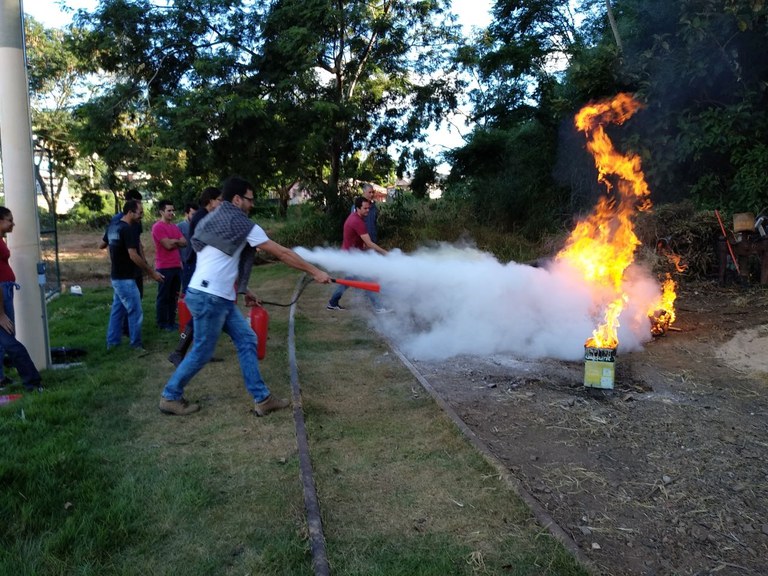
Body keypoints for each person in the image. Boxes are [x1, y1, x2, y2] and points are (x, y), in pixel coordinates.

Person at [159, 176, 331, 417]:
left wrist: (242, 290)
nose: (253, 204)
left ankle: (262, 398)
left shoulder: (213, 219)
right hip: (211, 297)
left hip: (211, 293)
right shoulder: (244, 224)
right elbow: (281, 253)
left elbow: (220, 260)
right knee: (202, 351)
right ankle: (170, 395)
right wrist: (315, 272)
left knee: (247, 339)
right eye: (250, 200)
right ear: (237, 199)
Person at [168, 187, 221, 366]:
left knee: (207, 310)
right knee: (202, 309)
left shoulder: (203, 216)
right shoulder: (201, 217)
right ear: (211, 200)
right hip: (196, 266)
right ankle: (180, 351)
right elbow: (204, 243)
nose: (221, 204)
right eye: (219, 200)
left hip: (200, 266)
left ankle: (195, 350)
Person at [105, 200, 164, 350]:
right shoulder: (127, 229)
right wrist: (151, 272)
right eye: (140, 212)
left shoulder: (113, 226)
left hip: (116, 276)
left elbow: (102, 244)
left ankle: (112, 343)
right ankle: (136, 345)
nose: (142, 216)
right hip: (125, 278)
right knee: (135, 311)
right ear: (130, 212)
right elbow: (133, 254)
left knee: (117, 310)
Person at [0, 207, 43, 392]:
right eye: (9, 220)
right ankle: (32, 382)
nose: (13, 223)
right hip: (1, 294)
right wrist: (0, 313)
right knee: (9, 340)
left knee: (4, 340)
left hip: (5, 290)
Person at [327, 196, 389, 313]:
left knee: (348, 281)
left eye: (368, 208)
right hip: (351, 258)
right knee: (367, 280)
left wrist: (364, 248)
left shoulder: (356, 218)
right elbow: (369, 243)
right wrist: (385, 253)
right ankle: (378, 307)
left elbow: (361, 241)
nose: (367, 211)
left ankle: (332, 303)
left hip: (351, 256)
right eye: (365, 208)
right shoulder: (357, 221)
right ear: (357, 208)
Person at [152, 200, 187, 331]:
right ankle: (162, 322)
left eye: (173, 210)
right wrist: (176, 242)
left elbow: (184, 242)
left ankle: (172, 321)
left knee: (174, 295)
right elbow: (167, 245)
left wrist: (174, 242)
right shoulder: (158, 227)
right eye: (169, 210)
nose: (172, 213)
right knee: (163, 296)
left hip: (176, 266)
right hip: (164, 266)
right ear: (162, 212)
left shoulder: (174, 227)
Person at [177, 202, 197, 293]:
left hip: (197, 261)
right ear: (186, 214)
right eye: (193, 214)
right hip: (185, 262)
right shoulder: (180, 226)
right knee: (186, 288)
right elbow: (176, 246)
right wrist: (179, 260)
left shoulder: (200, 225)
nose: (195, 217)